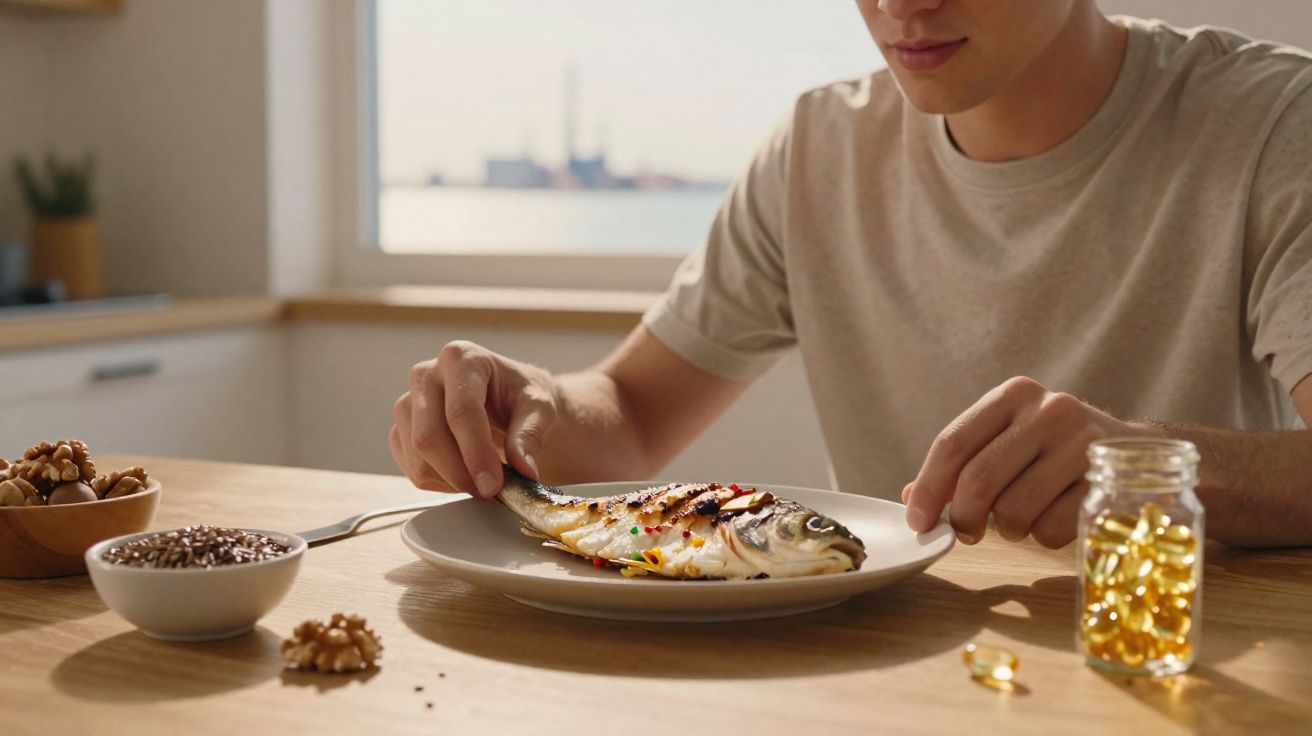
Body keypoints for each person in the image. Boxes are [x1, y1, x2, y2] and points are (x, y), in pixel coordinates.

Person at [390, 0, 1312, 549]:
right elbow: (629, 417)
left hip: (1176, 673)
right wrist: (531, 406)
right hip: (889, 676)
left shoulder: (1271, 126)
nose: (902, 4)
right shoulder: (818, 149)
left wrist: (1150, 469)